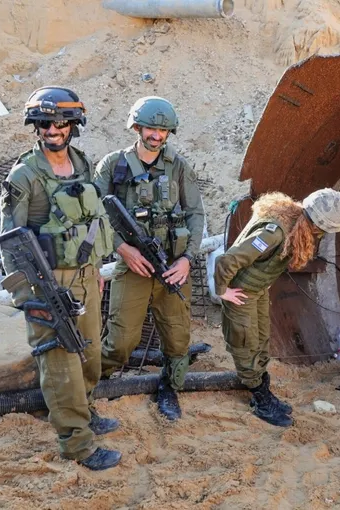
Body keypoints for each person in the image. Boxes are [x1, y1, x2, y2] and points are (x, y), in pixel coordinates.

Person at [0, 86, 121, 470]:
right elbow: (9, 241)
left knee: (89, 354)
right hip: (48, 282)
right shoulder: (24, 176)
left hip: (85, 275)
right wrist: (27, 297)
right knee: (60, 362)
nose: (52, 129)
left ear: (73, 125)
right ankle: (76, 443)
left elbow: (91, 220)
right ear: (34, 126)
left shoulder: (83, 165)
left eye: (60, 122)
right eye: (44, 122)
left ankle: (83, 411)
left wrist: (96, 269)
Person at [94, 96, 206, 421]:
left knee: (178, 339)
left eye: (163, 130)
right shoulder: (113, 165)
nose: (157, 135)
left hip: (172, 267)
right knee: (121, 340)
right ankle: (91, 382)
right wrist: (121, 248)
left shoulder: (179, 166)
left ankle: (169, 388)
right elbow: (94, 216)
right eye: (151, 128)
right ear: (137, 127)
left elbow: (196, 213)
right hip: (133, 267)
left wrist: (186, 259)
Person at [214, 189, 340, 427]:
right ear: (314, 222)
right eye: (322, 230)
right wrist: (222, 290)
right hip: (241, 293)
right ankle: (259, 397)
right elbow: (228, 260)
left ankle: (262, 387)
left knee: (262, 341)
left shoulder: (293, 222)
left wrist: (260, 282)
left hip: (255, 290)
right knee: (246, 344)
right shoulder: (274, 233)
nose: (321, 236)